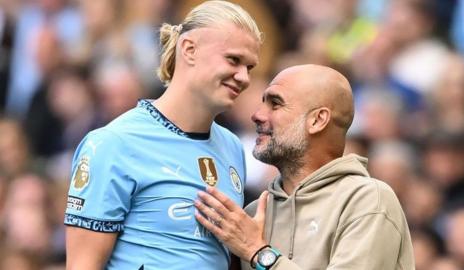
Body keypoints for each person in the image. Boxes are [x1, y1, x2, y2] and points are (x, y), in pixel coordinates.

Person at [64, 1, 261, 269]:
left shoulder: (233, 146)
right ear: (189, 49)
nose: (243, 77)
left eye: (250, 67)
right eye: (234, 60)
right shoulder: (113, 144)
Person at [195, 64, 415, 270]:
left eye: (275, 103)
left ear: (318, 120)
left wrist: (258, 253)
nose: (257, 115)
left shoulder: (368, 200)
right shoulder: (252, 215)